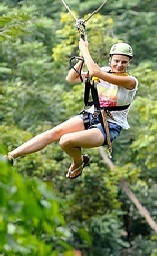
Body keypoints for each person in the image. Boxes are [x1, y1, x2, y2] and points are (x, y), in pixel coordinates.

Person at [7, 39, 138, 179]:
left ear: (129, 63)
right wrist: (82, 58)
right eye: (116, 61)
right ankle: (11, 156)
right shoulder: (104, 71)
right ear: (110, 59)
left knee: (65, 141)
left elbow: (95, 71)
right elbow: (71, 77)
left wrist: (85, 48)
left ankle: (78, 162)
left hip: (110, 126)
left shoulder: (130, 81)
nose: (119, 65)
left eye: (124, 62)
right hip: (92, 115)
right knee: (54, 133)